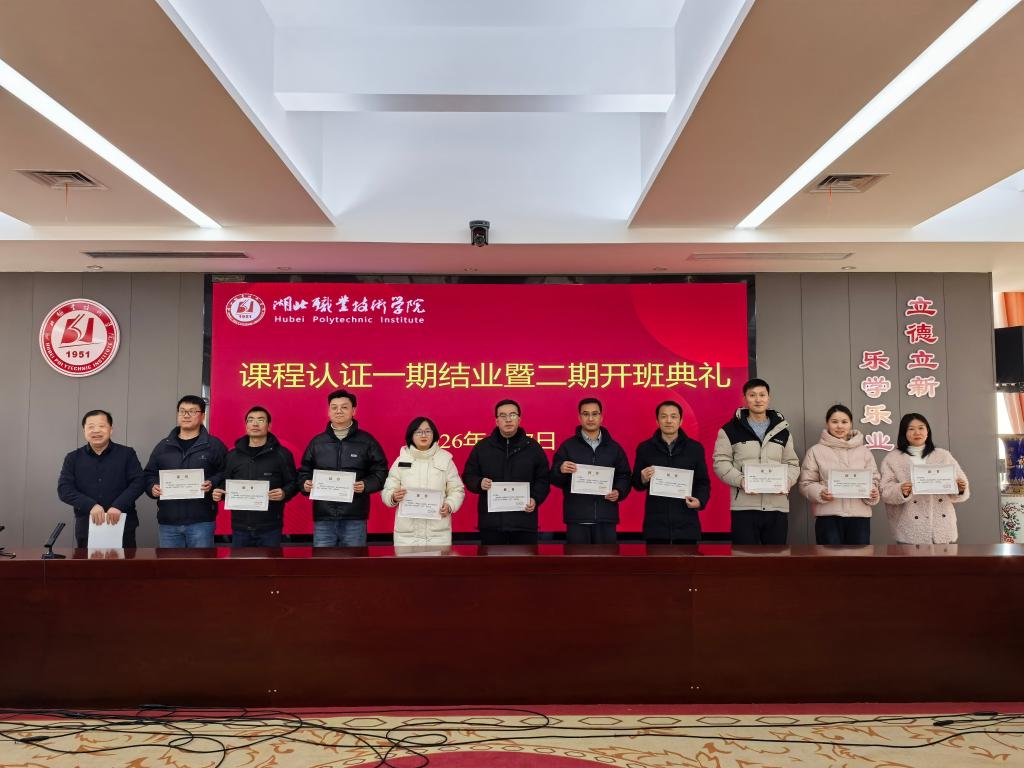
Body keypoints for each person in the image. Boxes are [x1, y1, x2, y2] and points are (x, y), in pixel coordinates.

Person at [713, 378, 800, 545]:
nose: (758, 399)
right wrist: (741, 481)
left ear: (769, 398)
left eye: (762, 395)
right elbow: (720, 462)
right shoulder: (729, 430)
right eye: (752, 395)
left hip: (777, 506)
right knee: (744, 557)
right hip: (744, 507)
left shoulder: (783, 432)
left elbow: (792, 464)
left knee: (776, 557)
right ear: (745, 399)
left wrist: (788, 480)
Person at [297, 389, 388, 547]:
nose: (338, 411)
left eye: (344, 407)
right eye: (334, 407)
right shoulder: (317, 443)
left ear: (354, 411)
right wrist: (305, 484)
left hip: (355, 517)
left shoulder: (367, 441)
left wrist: (366, 485)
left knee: (353, 560)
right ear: (329, 411)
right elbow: (304, 472)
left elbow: (381, 471)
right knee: (323, 560)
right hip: (324, 517)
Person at [463, 399, 551, 545]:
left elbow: (543, 479)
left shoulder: (533, 448)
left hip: (524, 523)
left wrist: (535, 499)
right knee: (492, 560)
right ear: (497, 421)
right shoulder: (483, 447)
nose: (508, 419)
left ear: (519, 419)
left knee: (526, 560)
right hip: (491, 525)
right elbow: (468, 475)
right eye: (503, 416)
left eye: (512, 415)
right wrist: (479, 483)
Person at [144, 395, 227, 548]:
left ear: (202, 416)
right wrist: (152, 487)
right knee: (170, 563)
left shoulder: (214, 446)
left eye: (192, 411)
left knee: (200, 563)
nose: (186, 415)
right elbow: (149, 474)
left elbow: (226, 473)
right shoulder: (163, 446)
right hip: (168, 522)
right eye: (182, 411)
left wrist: (212, 483)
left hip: (201, 521)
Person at [212, 406, 299, 547]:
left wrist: (284, 493)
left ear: (269, 426)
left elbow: (293, 482)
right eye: (250, 420)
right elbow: (224, 484)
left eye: (260, 420)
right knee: (240, 562)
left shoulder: (282, 454)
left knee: (270, 562)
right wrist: (218, 493)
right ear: (246, 425)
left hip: (271, 527)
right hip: (240, 527)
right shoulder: (232, 455)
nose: (255, 424)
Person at [58, 409, 145, 548]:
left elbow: (139, 482)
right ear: (84, 430)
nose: (96, 430)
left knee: (125, 562)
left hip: (122, 525)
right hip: (87, 526)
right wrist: (90, 505)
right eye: (91, 426)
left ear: (111, 429)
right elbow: (64, 489)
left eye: (101, 426)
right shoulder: (73, 458)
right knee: (88, 563)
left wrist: (118, 506)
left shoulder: (127, 454)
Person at [550, 398, 631, 544]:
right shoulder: (568, 446)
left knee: (607, 557)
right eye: (586, 414)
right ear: (579, 417)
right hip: (577, 517)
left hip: (606, 516)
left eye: (595, 414)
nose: (590, 418)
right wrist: (560, 470)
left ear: (601, 417)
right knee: (577, 558)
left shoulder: (614, 448)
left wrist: (619, 491)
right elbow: (554, 478)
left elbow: (624, 476)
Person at [880, 412, 969, 544]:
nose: (917, 432)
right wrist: (901, 490)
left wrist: (960, 488)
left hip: (942, 525)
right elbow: (885, 491)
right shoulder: (893, 458)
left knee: (944, 558)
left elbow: (961, 486)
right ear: (904, 433)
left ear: (927, 431)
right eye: (911, 429)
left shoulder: (943, 456)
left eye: (921, 428)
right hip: (909, 527)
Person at [798, 404, 880, 545]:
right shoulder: (815, 451)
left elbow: (874, 479)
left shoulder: (864, 452)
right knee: (829, 558)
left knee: (859, 557)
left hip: (859, 518)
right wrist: (820, 492)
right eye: (834, 422)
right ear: (827, 423)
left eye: (844, 422)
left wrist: (872, 492)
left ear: (851, 423)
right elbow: (805, 484)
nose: (839, 426)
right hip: (828, 517)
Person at [632, 400, 710, 544]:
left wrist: (700, 501)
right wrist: (642, 479)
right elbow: (636, 483)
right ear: (657, 420)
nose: (668, 420)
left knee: (688, 559)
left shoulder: (695, 448)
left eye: (673, 416)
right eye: (664, 416)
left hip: (687, 525)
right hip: (655, 527)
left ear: (681, 420)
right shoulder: (645, 448)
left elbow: (703, 482)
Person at [381, 416, 465, 546]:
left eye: (427, 431)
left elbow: (457, 490)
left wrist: (450, 505)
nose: (423, 435)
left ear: (434, 434)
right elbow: (387, 490)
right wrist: (393, 496)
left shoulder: (445, 459)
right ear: (411, 435)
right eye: (418, 432)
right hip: (407, 536)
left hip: (438, 535)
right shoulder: (402, 460)